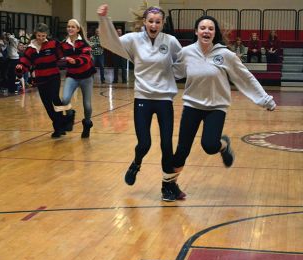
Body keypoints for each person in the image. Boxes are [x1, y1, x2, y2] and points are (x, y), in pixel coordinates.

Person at [172, 15, 276, 189]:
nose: (207, 31)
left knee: (210, 145)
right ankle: (170, 185)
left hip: (216, 107)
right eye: (203, 28)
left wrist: (264, 99)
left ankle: (223, 145)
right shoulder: (186, 52)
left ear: (215, 33)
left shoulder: (225, 55)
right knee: (182, 150)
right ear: (196, 31)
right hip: (192, 105)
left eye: (211, 29)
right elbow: (173, 73)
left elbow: (245, 78)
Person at [98, 4, 185, 201]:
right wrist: (104, 19)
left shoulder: (170, 41)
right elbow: (110, 42)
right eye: (150, 21)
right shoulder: (133, 40)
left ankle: (167, 186)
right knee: (144, 143)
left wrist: (175, 74)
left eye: (158, 22)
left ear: (163, 24)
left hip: (164, 100)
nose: (154, 25)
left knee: (166, 145)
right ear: (144, 22)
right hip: (143, 99)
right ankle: (136, 163)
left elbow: (184, 62)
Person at [16, 23, 67, 138]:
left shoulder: (53, 44)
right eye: (39, 36)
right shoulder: (30, 48)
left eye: (43, 36)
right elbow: (25, 62)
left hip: (54, 76)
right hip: (40, 78)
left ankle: (61, 123)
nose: (41, 38)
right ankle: (59, 126)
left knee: (55, 98)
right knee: (47, 104)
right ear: (35, 34)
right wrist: (20, 68)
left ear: (46, 35)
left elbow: (63, 53)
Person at [60, 18, 96, 138]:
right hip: (72, 76)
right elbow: (58, 57)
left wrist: (75, 61)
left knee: (87, 106)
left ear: (78, 29)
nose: (70, 28)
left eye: (73, 27)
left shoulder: (84, 44)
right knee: (64, 99)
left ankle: (87, 124)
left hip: (86, 76)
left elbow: (85, 58)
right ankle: (70, 116)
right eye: (68, 26)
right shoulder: (63, 44)